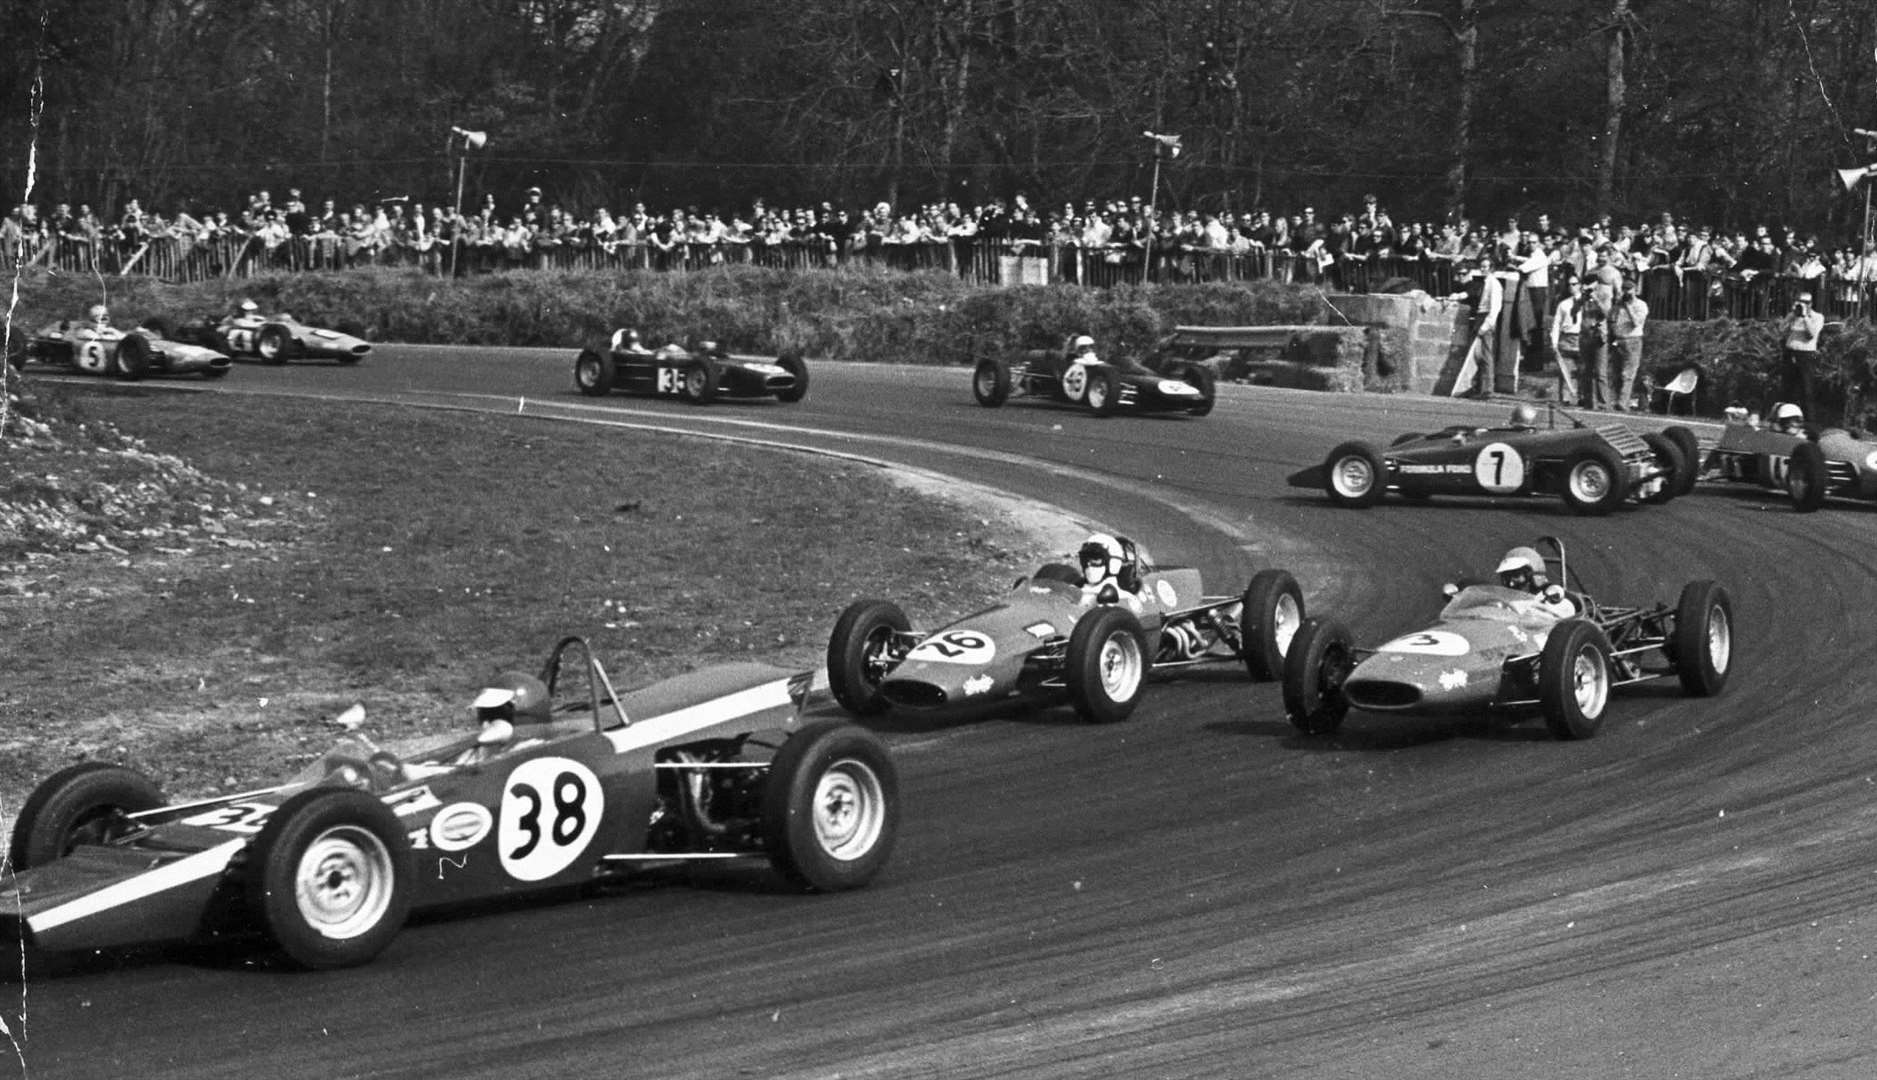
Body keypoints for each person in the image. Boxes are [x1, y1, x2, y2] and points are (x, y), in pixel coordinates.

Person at [1778, 291, 1825, 418]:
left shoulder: (1817, 317)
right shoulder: (1792, 316)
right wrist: (1792, 316)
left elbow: (1811, 335)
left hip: (1806, 355)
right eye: (1800, 301)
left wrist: (1805, 317)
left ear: (1811, 304)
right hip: (1790, 352)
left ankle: (1809, 420)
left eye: (1805, 302)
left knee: (1807, 389)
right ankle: (1784, 418)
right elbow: (1781, 330)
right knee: (1787, 387)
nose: (1802, 305)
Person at [1493, 546, 1576, 618]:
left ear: (1530, 574)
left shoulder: (1555, 600)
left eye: (1516, 575)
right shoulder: (1506, 600)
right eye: (1507, 576)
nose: (1511, 582)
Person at [1076, 532, 1147, 612]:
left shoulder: (1122, 597)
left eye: (1095, 559)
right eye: (1085, 559)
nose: (1088, 564)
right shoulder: (1078, 586)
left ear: (1113, 563)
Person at [1609, 279, 1649, 411]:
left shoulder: (1641, 305)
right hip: (1619, 340)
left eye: (1629, 289)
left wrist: (1628, 307)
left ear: (1635, 290)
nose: (1627, 292)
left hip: (1633, 340)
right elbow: (1612, 320)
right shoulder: (1618, 305)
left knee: (1628, 373)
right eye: (1624, 289)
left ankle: (1623, 402)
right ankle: (1616, 400)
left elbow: (1637, 322)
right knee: (1616, 372)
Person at [1549, 280, 1584, 403]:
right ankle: (1565, 397)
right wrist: (1554, 341)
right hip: (1566, 338)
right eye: (1569, 284)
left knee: (1582, 370)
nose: (1571, 287)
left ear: (1580, 285)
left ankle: (1582, 396)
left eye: (1574, 284)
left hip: (1581, 337)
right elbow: (1556, 323)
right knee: (1565, 370)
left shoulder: (1586, 302)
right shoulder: (1564, 304)